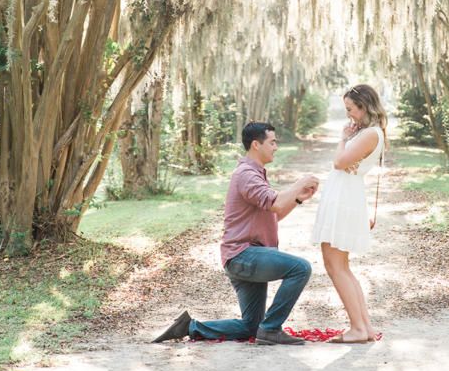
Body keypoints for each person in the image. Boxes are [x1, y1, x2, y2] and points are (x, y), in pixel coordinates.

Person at [153, 121, 319, 346]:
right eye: (272, 142)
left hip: (244, 257)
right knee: (300, 268)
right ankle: (271, 329)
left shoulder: (254, 174)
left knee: (251, 326)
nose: (276, 147)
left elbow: (274, 213)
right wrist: (299, 183)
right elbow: (276, 202)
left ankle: (189, 326)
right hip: (244, 256)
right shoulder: (246, 175)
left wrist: (298, 198)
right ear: (255, 145)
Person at [311, 84, 387, 344]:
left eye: (351, 109)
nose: (349, 115)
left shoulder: (369, 134)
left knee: (335, 265)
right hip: (344, 195)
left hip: (344, 197)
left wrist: (343, 137)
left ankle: (357, 327)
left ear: (364, 106)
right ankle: (363, 326)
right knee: (341, 266)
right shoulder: (368, 132)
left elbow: (339, 162)